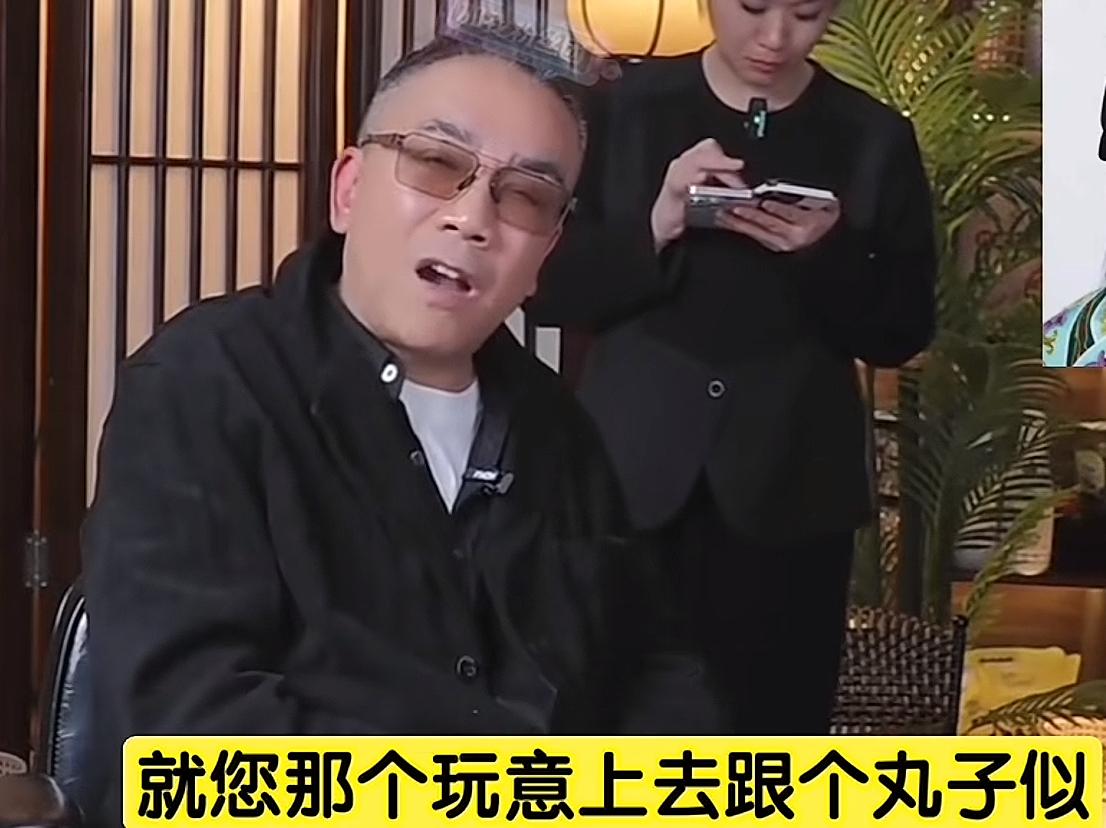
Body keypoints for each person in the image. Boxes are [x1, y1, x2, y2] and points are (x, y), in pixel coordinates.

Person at [82, 29, 722, 828]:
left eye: (526, 196)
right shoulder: (204, 386)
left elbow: (653, 671)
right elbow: (191, 729)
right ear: (349, 189)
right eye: (436, 163)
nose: (473, 218)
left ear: (547, 252)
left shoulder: (561, 433)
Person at [527, 0, 937, 735]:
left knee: (771, 734)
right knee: (603, 725)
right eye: (752, 7)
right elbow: (549, 291)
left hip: (792, 489)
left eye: (807, 15)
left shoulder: (873, 136)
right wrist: (657, 223)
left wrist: (825, 252)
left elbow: (902, 330)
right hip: (625, 482)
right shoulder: (623, 110)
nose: (775, 38)